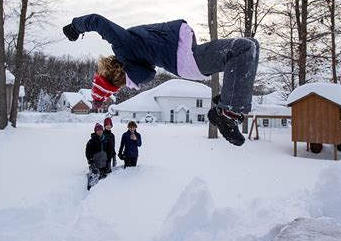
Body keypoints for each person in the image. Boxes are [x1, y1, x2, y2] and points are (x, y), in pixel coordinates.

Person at [63, 14, 260, 146]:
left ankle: (227, 100)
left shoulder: (135, 62)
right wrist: (75, 26)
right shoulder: (124, 48)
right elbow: (97, 21)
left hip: (185, 56)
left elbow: (148, 73)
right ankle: (225, 113)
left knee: (251, 45)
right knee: (244, 48)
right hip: (186, 58)